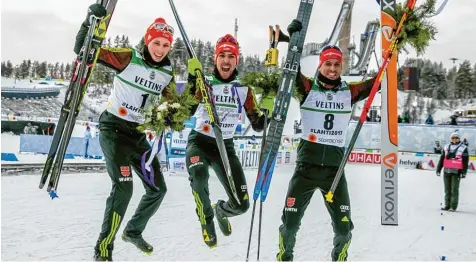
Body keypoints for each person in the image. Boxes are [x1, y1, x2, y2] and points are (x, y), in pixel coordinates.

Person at [74, 4, 181, 261]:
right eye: (156, 43)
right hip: (113, 128)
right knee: (123, 188)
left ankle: (133, 231)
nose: (160, 50)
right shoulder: (127, 57)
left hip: (138, 135)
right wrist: (90, 23)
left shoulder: (167, 72)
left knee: (157, 189)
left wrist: (169, 114)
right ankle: (103, 251)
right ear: (147, 40)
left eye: (165, 46)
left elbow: (173, 105)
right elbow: (84, 51)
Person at [275, 20, 381, 262]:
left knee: (344, 231)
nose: (333, 68)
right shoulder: (307, 88)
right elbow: (289, 73)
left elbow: (375, 83)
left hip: (335, 171)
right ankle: (284, 257)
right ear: (320, 65)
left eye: (337, 64)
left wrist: (389, 57)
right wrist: (291, 41)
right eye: (328, 64)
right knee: (289, 225)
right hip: (306, 169)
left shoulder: (349, 91)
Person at [185, 34, 271, 248]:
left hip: (226, 147)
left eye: (231, 56)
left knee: (242, 205)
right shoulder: (204, 82)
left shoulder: (244, 89)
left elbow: (258, 125)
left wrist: (268, 107)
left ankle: (220, 211)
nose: (226, 60)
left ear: (237, 60)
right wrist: (190, 81)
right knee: (198, 174)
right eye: (221, 55)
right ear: (215, 59)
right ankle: (206, 220)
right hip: (200, 142)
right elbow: (185, 112)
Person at [436, 131, 469, 212]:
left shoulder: (463, 148)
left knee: (454, 190)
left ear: (459, 138)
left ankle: (453, 206)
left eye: (456, 138)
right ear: (451, 138)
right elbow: (442, 158)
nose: (454, 139)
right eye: (453, 138)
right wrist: (438, 169)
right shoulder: (446, 147)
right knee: (447, 189)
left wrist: (463, 172)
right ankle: (447, 205)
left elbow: (465, 161)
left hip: (456, 172)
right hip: (446, 171)